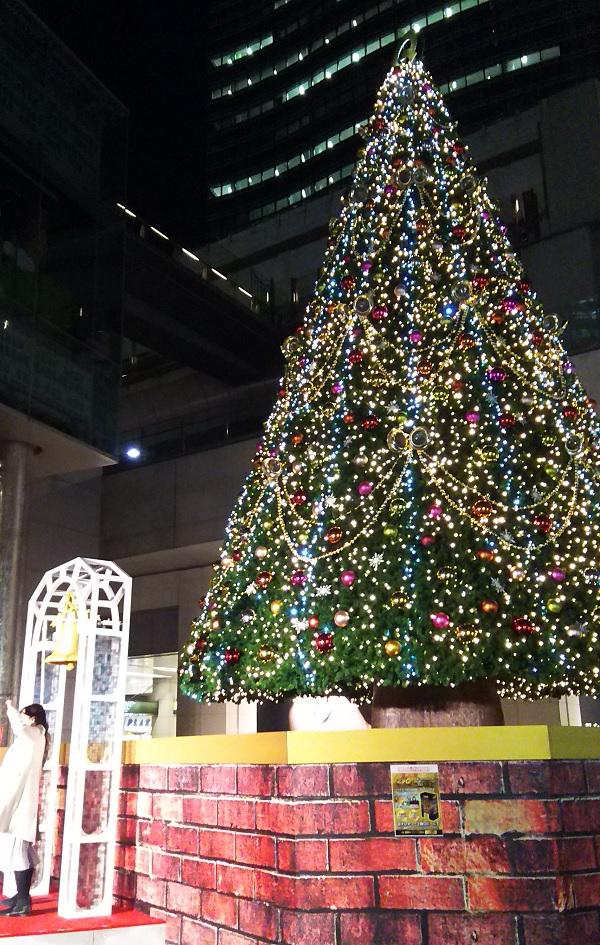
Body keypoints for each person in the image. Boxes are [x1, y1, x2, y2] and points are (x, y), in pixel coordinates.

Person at [0, 700, 48, 917]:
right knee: (19, 851)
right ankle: (20, 898)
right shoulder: (30, 738)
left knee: (19, 852)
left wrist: (10, 708)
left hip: (22, 806)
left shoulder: (36, 733)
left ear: (33, 718)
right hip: (17, 803)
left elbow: (19, 727)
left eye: (24, 715)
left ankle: (23, 902)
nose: (20, 719)